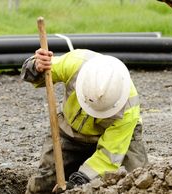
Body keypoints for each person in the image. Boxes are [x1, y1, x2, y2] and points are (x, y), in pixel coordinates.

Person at [21, 48, 148, 194]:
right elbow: (38, 74)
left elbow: (108, 158)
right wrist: (36, 66)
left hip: (119, 141)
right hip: (69, 132)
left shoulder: (128, 110)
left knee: (138, 183)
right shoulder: (76, 63)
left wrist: (77, 183)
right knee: (42, 185)